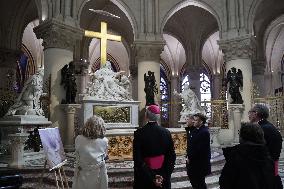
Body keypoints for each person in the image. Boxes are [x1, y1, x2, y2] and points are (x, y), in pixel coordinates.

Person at [219, 122, 275, 189]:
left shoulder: (236, 155)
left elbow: (225, 181)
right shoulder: (267, 156)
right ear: (260, 135)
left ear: (242, 136)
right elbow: (274, 182)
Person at [133, 104, 176, 189]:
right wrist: (163, 175)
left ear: (146, 116)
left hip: (145, 177)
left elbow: (137, 159)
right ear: (158, 117)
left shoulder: (139, 133)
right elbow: (171, 156)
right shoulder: (166, 132)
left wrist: (152, 176)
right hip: (163, 176)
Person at [248, 104, 283, 188]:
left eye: (250, 112)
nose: (249, 115)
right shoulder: (270, 126)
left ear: (255, 113)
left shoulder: (260, 129)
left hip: (264, 169)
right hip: (272, 165)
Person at [72, 115, 108, 189]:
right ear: (101, 127)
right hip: (98, 173)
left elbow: (77, 154)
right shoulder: (104, 141)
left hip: (82, 171)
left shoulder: (78, 139)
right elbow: (104, 156)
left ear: (87, 126)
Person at [186, 113, 211, 189]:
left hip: (199, 164)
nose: (193, 121)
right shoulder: (196, 130)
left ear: (201, 122)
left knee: (199, 184)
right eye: (193, 120)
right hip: (194, 163)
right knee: (195, 183)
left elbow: (199, 149)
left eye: (196, 120)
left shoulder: (204, 132)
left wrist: (190, 157)